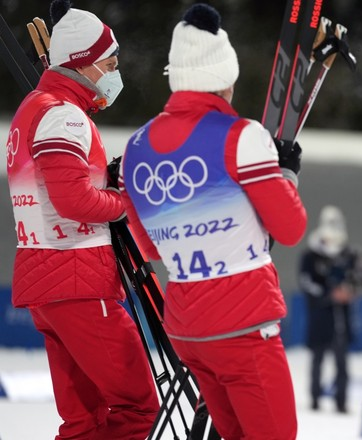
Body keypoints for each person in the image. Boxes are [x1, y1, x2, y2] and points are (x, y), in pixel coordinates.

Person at [119, 4, 307, 440]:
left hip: (188, 328)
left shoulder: (135, 146)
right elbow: (290, 229)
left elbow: (148, 246)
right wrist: (285, 175)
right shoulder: (242, 136)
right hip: (243, 324)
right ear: (224, 76)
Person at [5, 0, 159, 438]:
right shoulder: (62, 115)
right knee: (138, 407)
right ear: (84, 64)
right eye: (109, 63)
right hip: (76, 280)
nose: (115, 71)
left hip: (48, 282)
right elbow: (75, 201)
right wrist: (121, 200)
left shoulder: (35, 107)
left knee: (83, 421)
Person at [299, 205, 362, 413]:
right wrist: (330, 295)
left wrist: (350, 289)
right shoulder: (310, 256)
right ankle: (314, 400)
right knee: (317, 360)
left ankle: (341, 401)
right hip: (320, 317)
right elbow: (306, 283)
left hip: (341, 318)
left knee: (342, 363)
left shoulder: (349, 255)